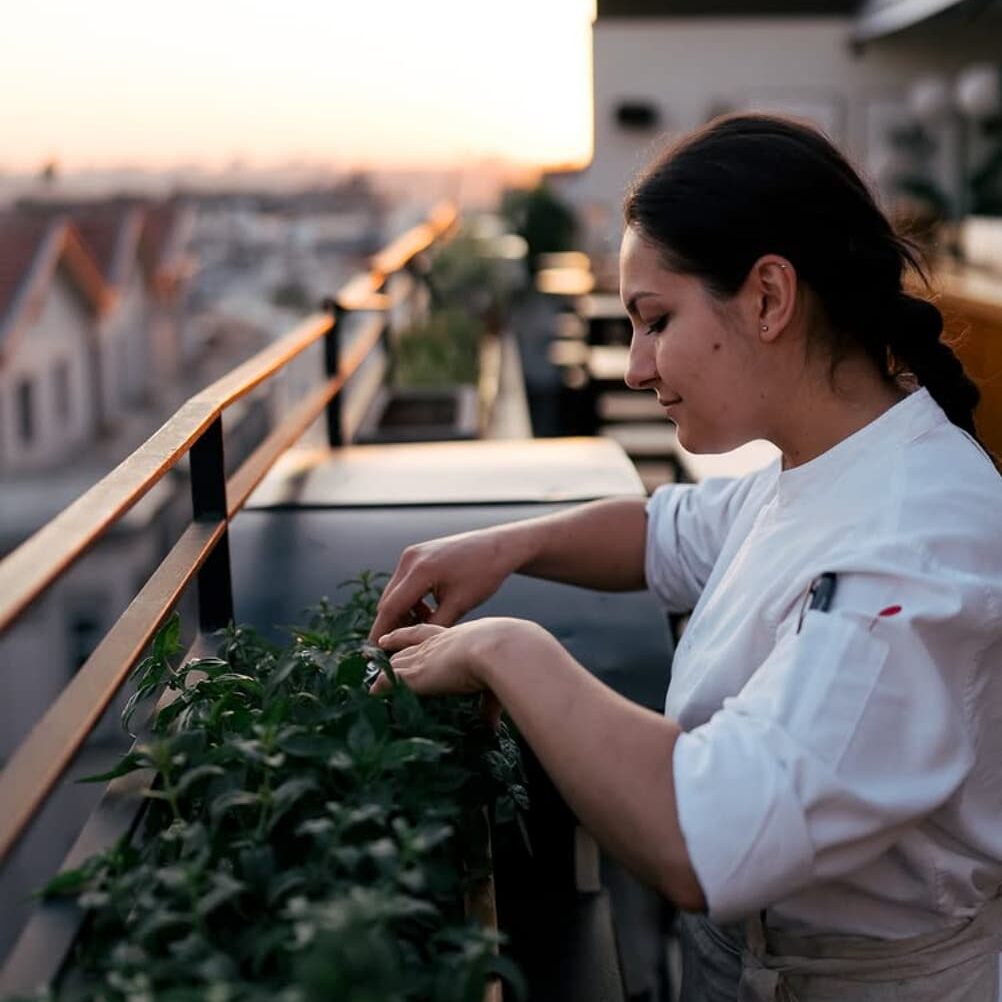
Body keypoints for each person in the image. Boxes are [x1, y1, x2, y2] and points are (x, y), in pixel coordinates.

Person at [369, 114, 1002, 1001]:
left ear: (770, 298)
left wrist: (502, 649)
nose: (635, 366)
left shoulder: (911, 542)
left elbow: (711, 836)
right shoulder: (824, 461)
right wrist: (509, 542)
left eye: (655, 321)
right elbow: (668, 533)